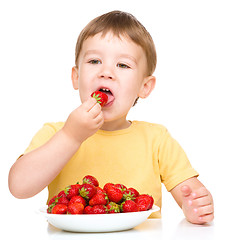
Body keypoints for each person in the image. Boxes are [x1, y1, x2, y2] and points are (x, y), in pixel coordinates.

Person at [8, 10, 214, 224]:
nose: (106, 72)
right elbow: (19, 187)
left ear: (144, 87)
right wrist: (71, 136)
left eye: (123, 65)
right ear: (76, 77)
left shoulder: (156, 139)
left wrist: (196, 205)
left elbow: (190, 192)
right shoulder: (55, 133)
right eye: (95, 61)